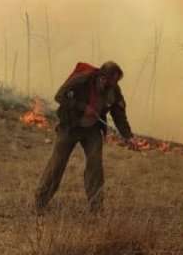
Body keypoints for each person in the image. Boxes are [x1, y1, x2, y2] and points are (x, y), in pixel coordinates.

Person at [34, 61, 135, 215]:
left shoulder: (113, 90)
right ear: (101, 76)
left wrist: (128, 136)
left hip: (92, 129)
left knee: (95, 166)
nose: (111, 85)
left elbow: (118, 114)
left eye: (115, 82)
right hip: (70, 126)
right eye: (109, 81)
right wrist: (83, 107)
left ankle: (96, 209)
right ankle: (40, 203)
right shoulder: (81, 80)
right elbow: (60, 96)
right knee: (57, 164)